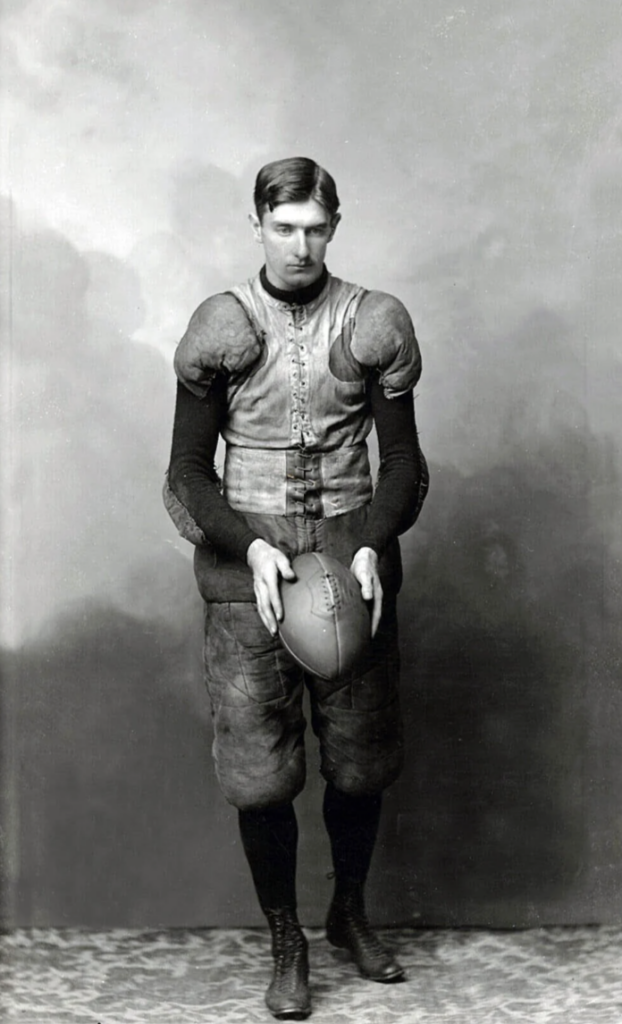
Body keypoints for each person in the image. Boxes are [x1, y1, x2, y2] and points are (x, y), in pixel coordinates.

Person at [164, 156, 428, 1021]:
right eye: (285, 227)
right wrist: (247, 547)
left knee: (360, 763)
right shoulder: (222, 326)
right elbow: (186, 477)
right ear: (257, 226)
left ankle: (348, 911)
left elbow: (404, 466)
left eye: (316, 226)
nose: (301, 244)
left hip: (351, 566)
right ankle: (287, 938)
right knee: (260, 774)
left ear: (335, 227)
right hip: (252, 578)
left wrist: (369, 543)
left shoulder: (374, 321)